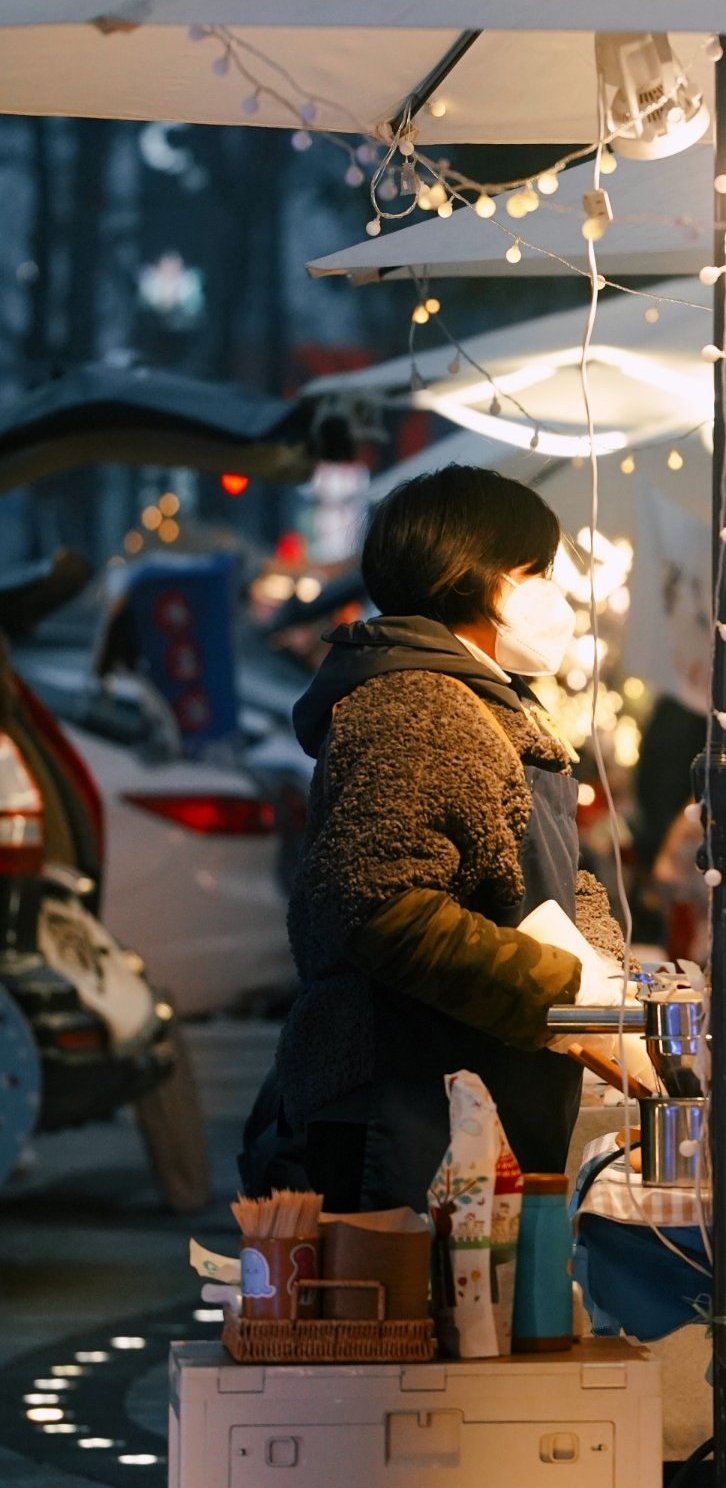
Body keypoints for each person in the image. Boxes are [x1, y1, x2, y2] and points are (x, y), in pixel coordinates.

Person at [242, 465, 635, 1211]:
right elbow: (379, 906)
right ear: (475, 575)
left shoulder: (490, 702)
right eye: (539, 571)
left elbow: (542, 874)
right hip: (402, 1112)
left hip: (475, 1108)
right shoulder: (416, 702)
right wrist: (559, 988)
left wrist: (604, 974)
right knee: (403, 1329)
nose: (555, 593)